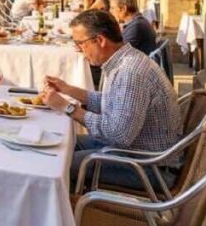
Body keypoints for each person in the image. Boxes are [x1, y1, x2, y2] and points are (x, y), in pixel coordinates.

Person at [42, 10, 182, 191]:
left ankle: (76, 207)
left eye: (80, 44)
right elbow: (111, 102)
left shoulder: (130, 72)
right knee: (61, 143)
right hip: (135, 151)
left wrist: (68, 108)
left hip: (150, 166)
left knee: (60, 165)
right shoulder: (125, 60)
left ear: (100, 40)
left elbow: (118, 134)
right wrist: (67, 89)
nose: (79, 51)